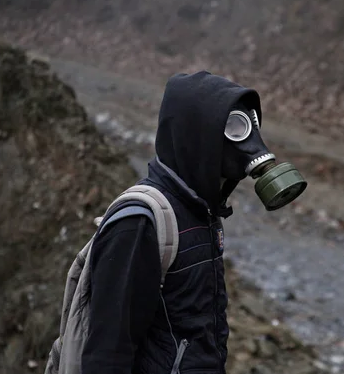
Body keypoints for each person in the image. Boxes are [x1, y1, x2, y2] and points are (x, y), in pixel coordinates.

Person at [81, 71, 306, 374]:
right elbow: (107, 357)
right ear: (197, 136)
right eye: (233, 128)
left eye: (250, 124)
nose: (251, 143)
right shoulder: (140, 225)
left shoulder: (202, 211)